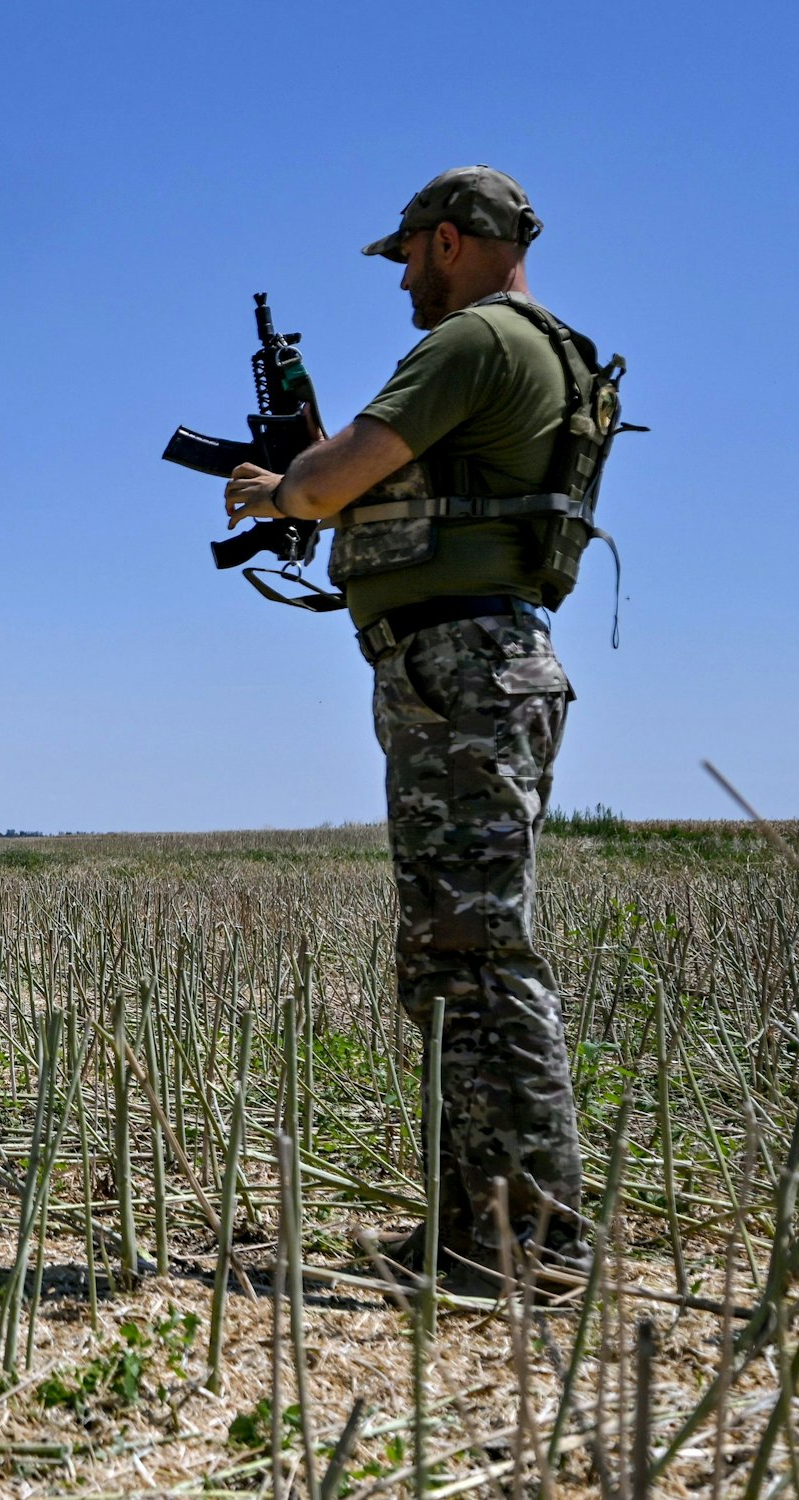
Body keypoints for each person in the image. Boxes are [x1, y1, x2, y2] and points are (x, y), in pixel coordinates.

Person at [220, 165, 629, 1275]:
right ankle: (472, 1226)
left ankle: (531, 1240)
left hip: (461, 669)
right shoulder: (548, 348)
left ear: (449, 240)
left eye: (404, 254)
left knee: (478, 958)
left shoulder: (474, 342)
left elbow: (330, 481)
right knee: (450, 957)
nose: (399, 276)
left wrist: (278, 489)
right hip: (477, 662)